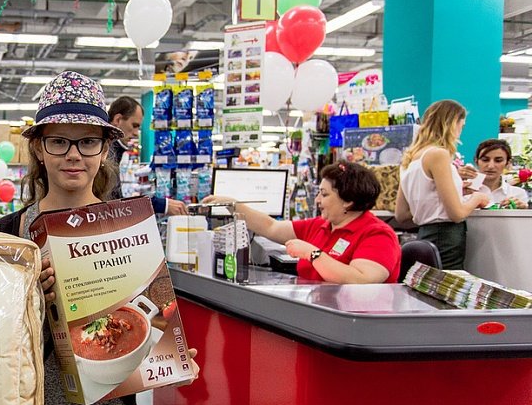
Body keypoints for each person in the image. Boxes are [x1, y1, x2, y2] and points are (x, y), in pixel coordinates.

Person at [0, 71, 135, 405]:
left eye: (88, 141)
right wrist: (34, 295)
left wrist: (165, 355)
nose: (73, 154)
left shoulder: (129, 229)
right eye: (59, 141)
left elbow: (148, 322)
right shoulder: (11, 233)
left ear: (104, 150)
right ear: (38, 149)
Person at [204, 162, 401, 283]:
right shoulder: (321, 225)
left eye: (324, 195)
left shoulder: (377, 235)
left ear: (348, 201)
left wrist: (312, 253)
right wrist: (233, 205)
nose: (317, 200)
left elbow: (361, 280)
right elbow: (271, 227)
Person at [395, 100, 490, 269]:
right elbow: (457, 213)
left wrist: (449, 194)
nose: (461, 132)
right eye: (462, 125)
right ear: (453, 123)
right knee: (447, 288)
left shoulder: (410, 159)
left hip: (424, 235)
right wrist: (477, 197)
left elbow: (401, 214)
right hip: (446, 236)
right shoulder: (438, 154)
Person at [106, 96, 188, 216]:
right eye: (134, 126)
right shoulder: (106, 153)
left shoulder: (115, 151)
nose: (136, 133)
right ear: (118, 120)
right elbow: (113, 203)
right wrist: (161, 205)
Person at [459, 139, 529, 209]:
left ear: (507, 163)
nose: (491, 166)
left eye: (498, 161)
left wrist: (522, 211)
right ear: (476, 161)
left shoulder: (517, 194)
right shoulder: (462, 191)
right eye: (485, 160)